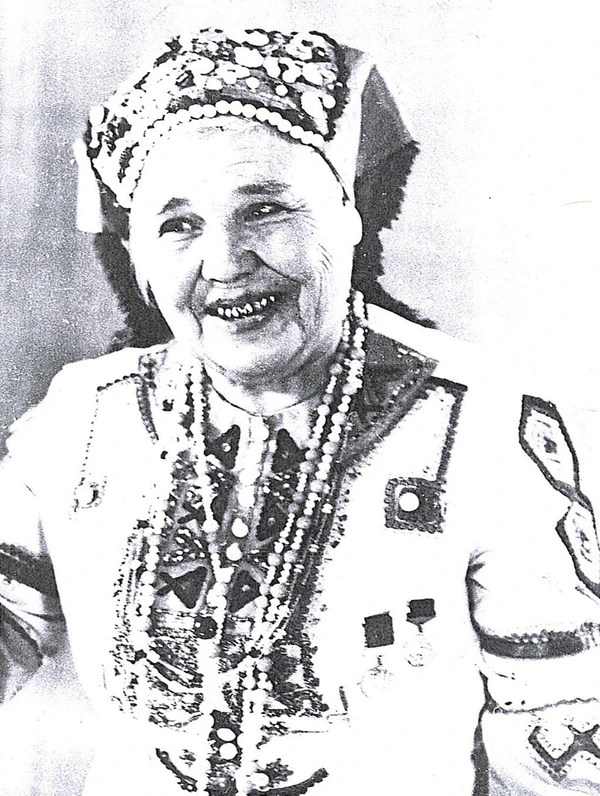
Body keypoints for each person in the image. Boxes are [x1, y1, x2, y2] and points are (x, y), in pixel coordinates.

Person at [1, 25, 600, 796]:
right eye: (178, 225)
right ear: (139, 259)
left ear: (348, 217)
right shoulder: (82, 420)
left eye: (265, 209)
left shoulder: (481, 427)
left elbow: (561, 740)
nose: (225, 262)